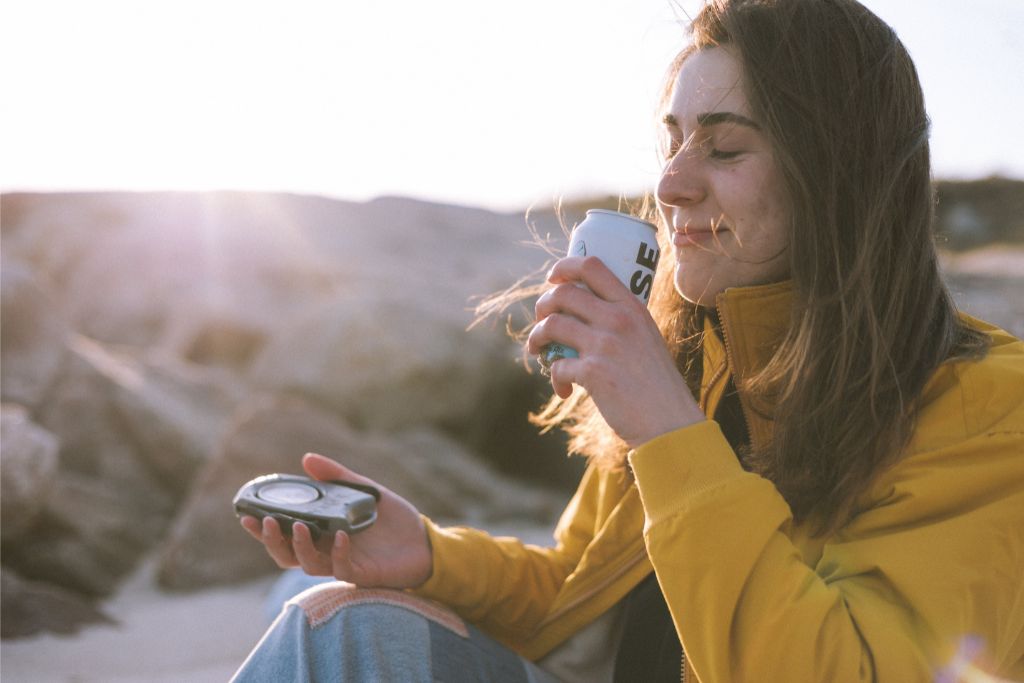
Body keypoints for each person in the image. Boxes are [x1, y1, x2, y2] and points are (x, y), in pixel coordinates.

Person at [232, 0, 1024, 680]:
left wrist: (669, 431)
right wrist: (429, 555)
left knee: (338, 633)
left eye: (724, 146)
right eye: (672, 139)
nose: (672, 183)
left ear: (838, 175)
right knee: (313, 599)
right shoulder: (702, 359)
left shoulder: (987, 406)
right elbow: (576, 585)